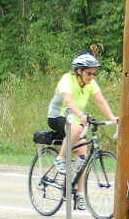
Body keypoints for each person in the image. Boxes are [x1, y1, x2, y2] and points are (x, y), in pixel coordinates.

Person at [47, 53, 119, 210]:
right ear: (79, 71)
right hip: (58, 116)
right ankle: (60, 158)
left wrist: (112, 117)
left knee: (83, 156)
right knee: (76, 129)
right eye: (89, 73)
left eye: (94, 73)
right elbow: (68, 101)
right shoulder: (67, 79)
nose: (92, 76)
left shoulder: (91, 83)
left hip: (76, 120)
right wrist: (81, 115)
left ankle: (79, 195)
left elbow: (100, 99)